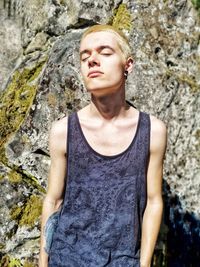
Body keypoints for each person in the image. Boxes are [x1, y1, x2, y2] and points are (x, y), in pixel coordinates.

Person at [39, 24, 167, 267]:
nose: (92, 61)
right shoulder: (63, 131)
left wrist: (145, 264)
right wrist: (43, 263)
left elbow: (153, 202)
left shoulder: (153, 132)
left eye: (105, 53)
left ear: (127, 65)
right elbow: (53, 201)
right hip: (66, 259)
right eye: (85, 56)